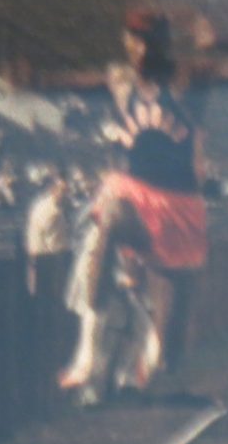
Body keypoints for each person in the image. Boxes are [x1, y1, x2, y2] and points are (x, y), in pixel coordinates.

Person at [59, 129, 207, 392]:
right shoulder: (120, 191)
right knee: (129, 327)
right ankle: (122, 374)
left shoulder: (120, 189)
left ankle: (128, 374)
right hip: (140, 260)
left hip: (131, 267)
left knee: (131, 327)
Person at [23, 173, 69, 295]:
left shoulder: (41, 205)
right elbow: (55, 244)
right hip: (47, 259)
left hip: (36, 256)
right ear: (53, 190)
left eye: (66, 191)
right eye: (63, 191)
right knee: (50, 297)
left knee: (39, 297)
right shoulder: (53, 211)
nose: (66, 194)